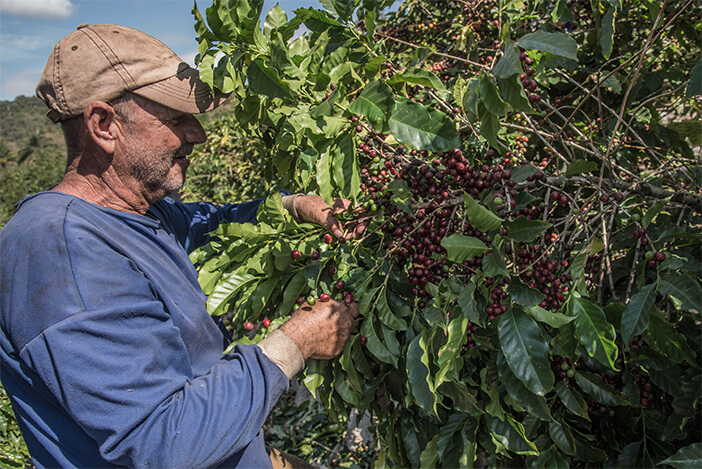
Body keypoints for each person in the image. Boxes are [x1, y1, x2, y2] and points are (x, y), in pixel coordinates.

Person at [0, 23, 360, 468]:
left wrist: (293, 203)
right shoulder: (61, 253)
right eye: (175, 119)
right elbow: (164, 442)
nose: (198, 134)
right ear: (104, 125)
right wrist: (295, 344)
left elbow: (217, 222)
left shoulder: (143, 212)